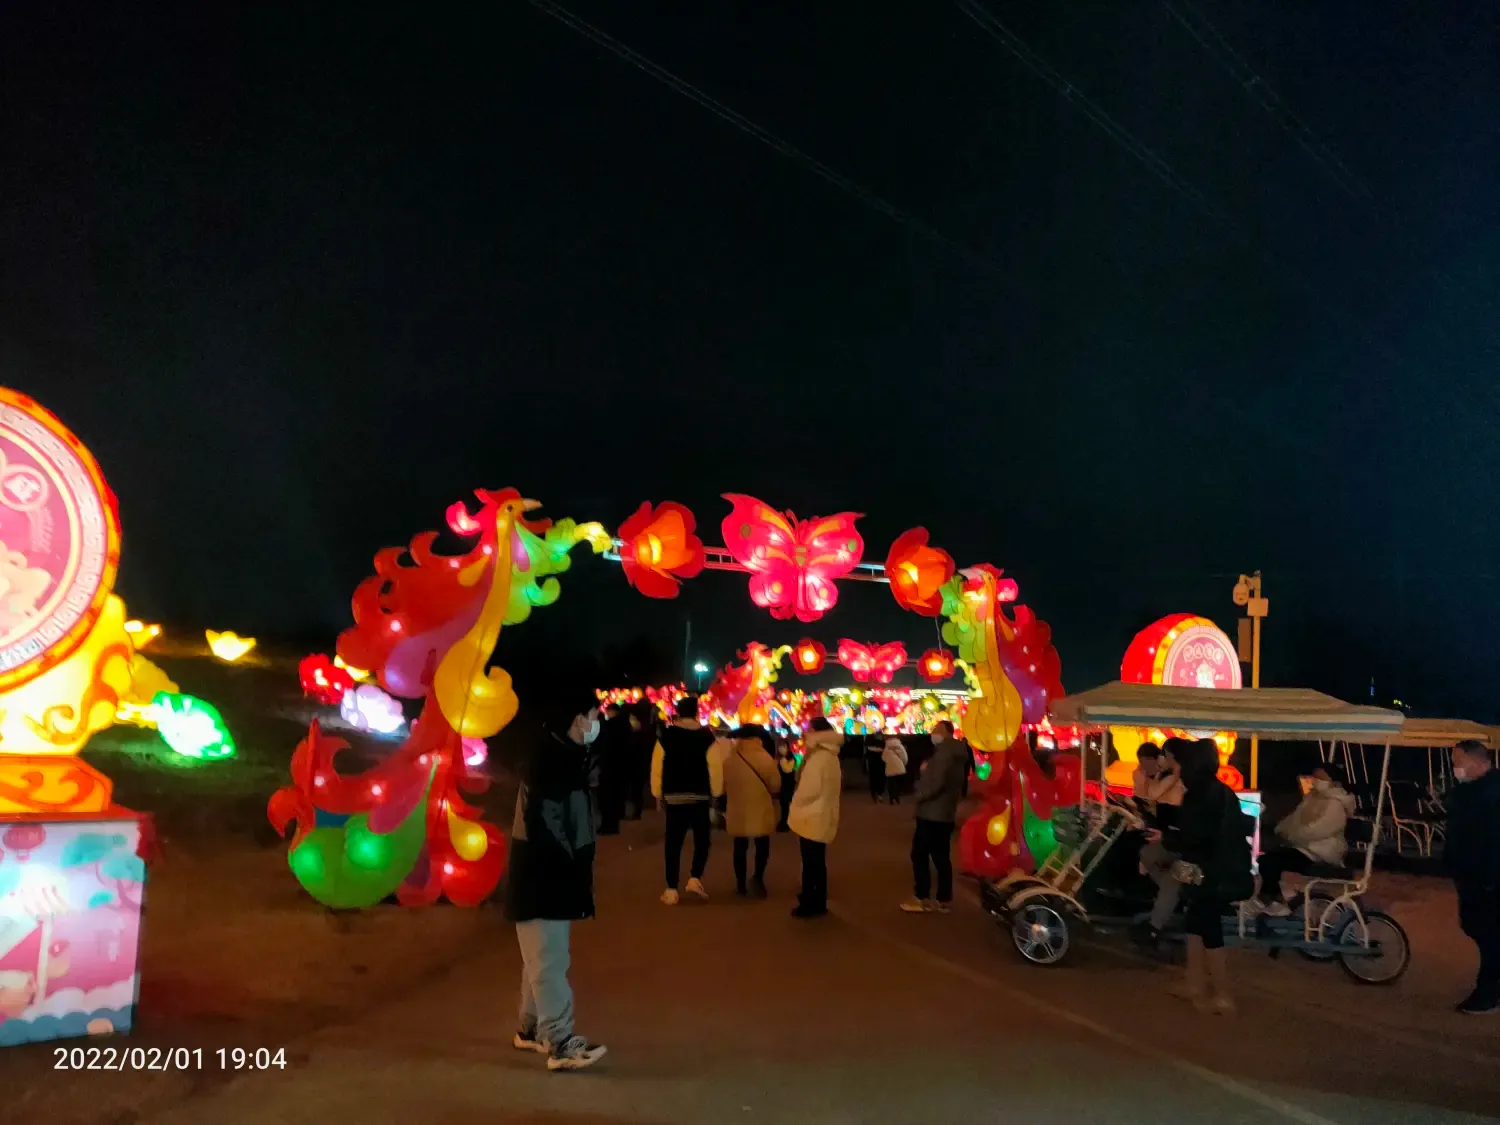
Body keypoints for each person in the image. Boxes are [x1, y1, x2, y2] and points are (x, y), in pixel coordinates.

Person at [505, 692, 607, 1070]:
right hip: (543, 874)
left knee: (540, 957)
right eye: (594, 715)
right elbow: (547, 825)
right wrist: (569, 868)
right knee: (549, 960)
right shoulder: (551, 762)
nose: (597, 722)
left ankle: (530, 1029)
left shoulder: (561, 756)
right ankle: (561, 1043)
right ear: (577, 719)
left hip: (544, 873)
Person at [1163, 738, 1253, 1016]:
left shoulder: (1199, 794)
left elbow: (1197, 837)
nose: (1173, 766)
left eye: (1176, 762)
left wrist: (1167, 838)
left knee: (1209, 929)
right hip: (1220, 868)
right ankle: (1194, 983)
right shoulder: (1220, 790)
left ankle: (1223, 995)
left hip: (1210, 873)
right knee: (1194, 924)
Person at [1251, 762, 1354, 916]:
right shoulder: (1312, 798)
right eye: (1314, 777)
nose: (1315, 780)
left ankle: (1274, 901)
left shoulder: (1336, 804)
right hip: (1304, 848)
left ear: (1333, 781)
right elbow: (1294, 819)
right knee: (1266, 858)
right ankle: (1272, 899)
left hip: (1320, 851)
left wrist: (1292, 835)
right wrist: (1280, 830)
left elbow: (1317, 830)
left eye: (1321, 778)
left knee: (1272, 861)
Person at [1445, 739, 1500, 1015]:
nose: (1455, 767)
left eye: (1458, 762)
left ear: (1477, 761)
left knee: (1490, 936)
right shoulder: (1470, 790)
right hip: (1472, 875)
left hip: (1488, 878)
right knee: (1477, 929)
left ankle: (1488, 994)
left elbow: (1492, 839)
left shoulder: (1493, 792)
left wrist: (1489, 879)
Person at [650, 695, 722, 905]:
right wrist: (716, 792)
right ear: (697, 713)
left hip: (674, 796)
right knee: (702, 840)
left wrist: (657, 792)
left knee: (673, 842)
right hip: (699, 796)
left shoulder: (666, 736)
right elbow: (715, 767)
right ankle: (694, 878)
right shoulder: (707, 737)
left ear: (678, 714)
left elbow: (657, 766)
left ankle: (671, 888)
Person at [901, 720, 969, 914]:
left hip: (932, 812)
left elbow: (936, 783)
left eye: (936, 729)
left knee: (920, 854)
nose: (933, 733)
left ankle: (922, 897)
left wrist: (919, 794)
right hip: (945, 811)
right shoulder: (956, 753)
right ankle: (943, 899)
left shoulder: (944, 753)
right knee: (941, 856)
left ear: (946, 732)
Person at [1133, 742, 1187, 944]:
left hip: (1185, 846)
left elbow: (1151, 795)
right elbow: (1147, 798)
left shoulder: (1177, 778)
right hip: (1175, 839)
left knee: (1168, 875)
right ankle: (1162, 909)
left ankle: (1155, 927)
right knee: (1147, 857)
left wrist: (1144, 778)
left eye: (1165, 756)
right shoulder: (1165, 777)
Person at [788, 717, 843, 917]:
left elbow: (809, 789)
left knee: (811, 862)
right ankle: (817, 899)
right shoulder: (830, 755)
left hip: (812, 814)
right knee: (817, 860)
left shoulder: (819, 757)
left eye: (809, 729)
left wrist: (795, 801)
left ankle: (811, 901)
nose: (805, 732)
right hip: (822, 812)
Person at [723, 724, 782, 897]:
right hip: (761, 807)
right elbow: (776, 785)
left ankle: (740, 883)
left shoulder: (730, 760)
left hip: (738, 809)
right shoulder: (766, 758)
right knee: (762, 844)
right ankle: (758, 877)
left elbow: (723, 787)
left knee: (739, 846)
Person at [593, 703, 630, 836]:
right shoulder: (624, 726)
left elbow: (602, 745)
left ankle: (608, 825)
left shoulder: (610, 727)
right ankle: (612, 824)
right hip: (619, 766)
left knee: (607, 797)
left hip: (609, 766)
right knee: (615, 796)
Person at [775, 734, 798, 831]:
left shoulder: (790, 758)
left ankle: (786, 823)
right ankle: (784, 821)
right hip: (782, 785)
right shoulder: (779, 758)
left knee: (786, 804)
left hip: (788, 784)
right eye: (780, 746)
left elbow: (787, 770)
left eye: (783, 746)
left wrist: (782, 760)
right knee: (783, 804)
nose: (781, 748)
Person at [882, 734, 909, 804]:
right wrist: (904, 763)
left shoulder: (886, 747)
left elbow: (883, 757)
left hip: (889, 767)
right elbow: (904, 756)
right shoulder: (900, 746)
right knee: (898, 783)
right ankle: (897, 797)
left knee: (890, 783)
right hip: (899, 766)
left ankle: (891, 798)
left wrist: (889, 761)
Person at [865, 733, 887, 802]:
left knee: (872, 779)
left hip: (872, 763)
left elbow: (866, 754)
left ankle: (874, 794)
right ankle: (880, 794)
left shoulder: (869, 741)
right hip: (881, 763)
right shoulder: (882, 741)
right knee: (881, 779)